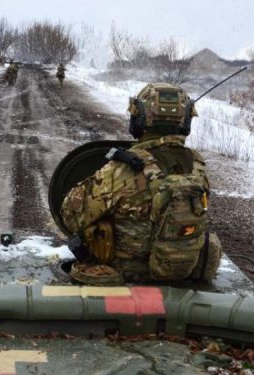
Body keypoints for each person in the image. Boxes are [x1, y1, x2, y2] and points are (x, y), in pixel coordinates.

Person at [59, 83, 221, 285]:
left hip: (125, 278)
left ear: (139, 118)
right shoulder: (198, 165)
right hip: (183, 273)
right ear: (186, 120)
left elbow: (70, 216)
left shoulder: (124, 168)